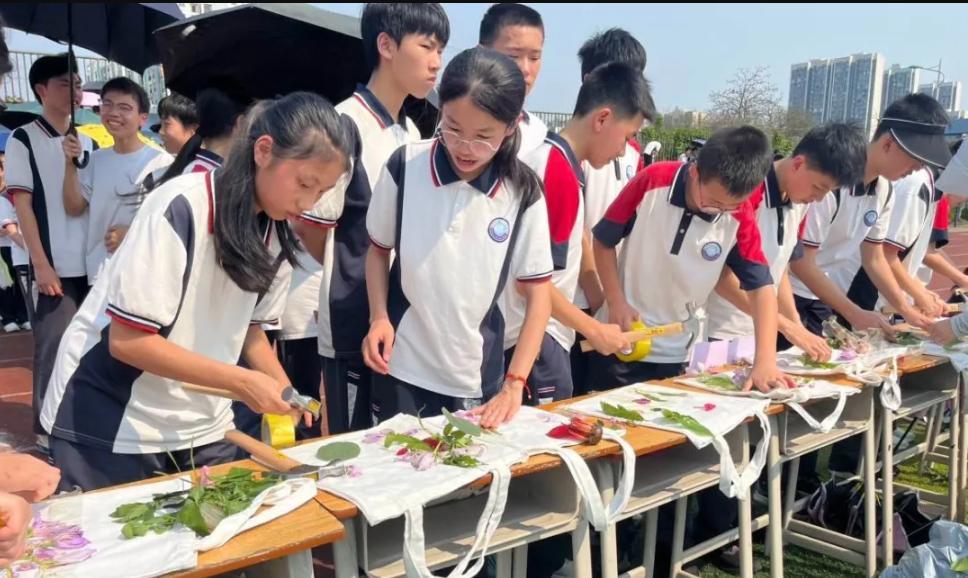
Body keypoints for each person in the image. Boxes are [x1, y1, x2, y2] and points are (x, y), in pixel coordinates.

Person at [40, 92, 352, 490]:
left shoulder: (276, 231)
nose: (308, 202)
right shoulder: (182, 205)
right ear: (263, 150)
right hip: (111, 418)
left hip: (200, 420)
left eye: (321, 192)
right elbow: (129, 342)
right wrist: (242, 383)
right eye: (305, 183)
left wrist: (285, 389)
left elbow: (250, 331)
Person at [363, 47, 553, 429]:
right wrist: (379, 317)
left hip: (474, 376)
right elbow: (377, 252)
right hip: (403, 365)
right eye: (452, 128)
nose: (465, 148)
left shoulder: (522, 191)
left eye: (484, 136)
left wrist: (515, 383)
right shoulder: (406, 166)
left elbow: (539, 296)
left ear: (512, 126)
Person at [296, 3, 449, 434]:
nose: (437, 62)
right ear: (386, 45)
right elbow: (311, 226)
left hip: (400, 323)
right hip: (351, 324)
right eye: (426, 46)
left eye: (441, 49)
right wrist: (345, 278)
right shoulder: (344, 125)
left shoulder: (413, 134)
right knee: (356, 449)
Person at [592, 126, 793, 391]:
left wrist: (765, 360)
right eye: (712, 202)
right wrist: (616, 301)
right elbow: (603, 241)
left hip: (681, 353)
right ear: (696, 172)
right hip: (622, 339)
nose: (719, 211)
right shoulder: (654, 179)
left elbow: (762, 288)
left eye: (729, 206)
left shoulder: (739, 214)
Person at [503, 61, 655, 404]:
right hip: (539, 339)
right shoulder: (556, 173)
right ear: (601, 119)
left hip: (538, 334)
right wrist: (594, 330)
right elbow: (533, 284)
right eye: (628, 136)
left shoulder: (560, 165)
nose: (624, 150)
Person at [790, 94, 953, 337]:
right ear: (887, 144)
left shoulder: (884, 190)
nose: (918, 169)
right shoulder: (831, 184)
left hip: (824, 295)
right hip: (790, 293)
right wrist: (854, 312)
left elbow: (875, 259)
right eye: (916, 159)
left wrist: (906, 309)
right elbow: (801, 262)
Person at [707, 123, 868, 359]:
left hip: (761, 334)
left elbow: (778, 270)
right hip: (721, 333)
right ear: (798, 164)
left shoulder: (799, 205)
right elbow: (722, 278)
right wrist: (787, 326)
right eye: (818, 187)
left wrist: (797, 329)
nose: (819, 199)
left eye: (828, 192)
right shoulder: (748, 194)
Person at [6, 53, 97, 445]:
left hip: (90, 264)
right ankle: (46, 430)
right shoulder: (23, 138)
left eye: (77, 83)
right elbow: (22, 206)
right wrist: (41, 264)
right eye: (65, 83)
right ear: (41, 90)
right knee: (53, 346)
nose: (75, 90)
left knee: (90, 345)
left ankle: (81, 420)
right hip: (50, 265)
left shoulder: (89, 140)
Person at [62, 77, 173, 285]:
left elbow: (170, 223)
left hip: (139, 276)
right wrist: (70, 163)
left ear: (142, 118)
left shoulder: (161, 162)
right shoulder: (96, 160)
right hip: (98, 275)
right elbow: (74, 208)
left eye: (124, 107)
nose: (113, 113)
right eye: (107, 104)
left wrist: (131, 233)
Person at [479, 3, 548, 157]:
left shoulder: (540, 135)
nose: (525, 69)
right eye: (513, 56)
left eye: (534, 58)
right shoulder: (456, 126)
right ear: (481, 54)